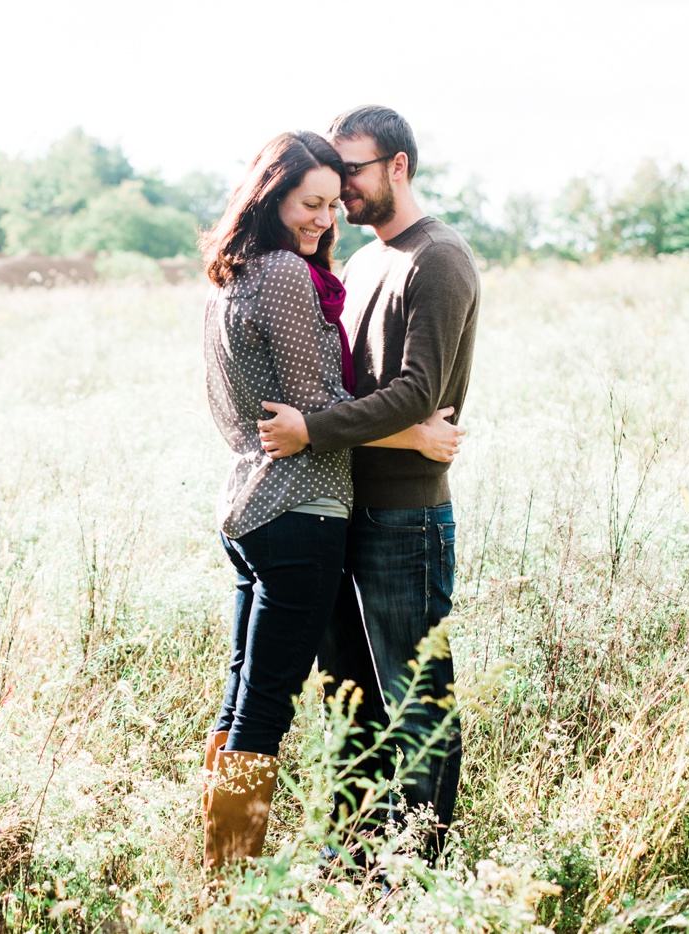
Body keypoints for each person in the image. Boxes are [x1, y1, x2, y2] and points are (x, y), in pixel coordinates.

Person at [199, 129, 462, 871]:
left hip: (256, 511)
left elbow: (290, 417)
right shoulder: (284, 274)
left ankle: (227, 873)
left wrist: (322, 425)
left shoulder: (235, 274)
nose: (327, 215)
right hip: (300, 512)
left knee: (245, 698)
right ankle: (231, 878)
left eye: (332, 200)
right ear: (270, 197)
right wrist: (411, 437)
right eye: (311, 202)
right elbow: (314, 414)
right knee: (266, 709)